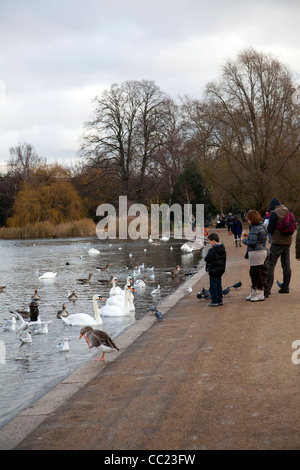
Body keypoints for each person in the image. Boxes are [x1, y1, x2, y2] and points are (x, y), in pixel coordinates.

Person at [267, 197, 293, 294]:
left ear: (275, 207)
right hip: (287, 241)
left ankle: (267, 288)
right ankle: (285, 287)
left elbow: (270, 229)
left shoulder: (275, 213)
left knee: (270, 263)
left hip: (277, 242)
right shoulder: (287, 210)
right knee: (286, 265)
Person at [242, 210, 268, 302]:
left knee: (256, 273)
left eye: (248, 219)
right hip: (261, 251)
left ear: (251, 219)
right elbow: (259, 239)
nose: (247, 220)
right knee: (253, 272)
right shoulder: (262, 227)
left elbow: (252, 243)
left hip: (256, 252)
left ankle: (259, 293)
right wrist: (249, 236)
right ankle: (255, 292)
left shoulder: (255, 228)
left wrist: (244, 240)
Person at [204, 233, 226, 307]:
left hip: (213, 270)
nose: (210, 243)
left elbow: (207, 259)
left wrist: (206, 258)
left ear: (213, 241)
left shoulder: (212, 250)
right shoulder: (222, 249)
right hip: (220, 270)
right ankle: (220, 300)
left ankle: (215, 301)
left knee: (213, 286)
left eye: (210, 241)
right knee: (219, 285)